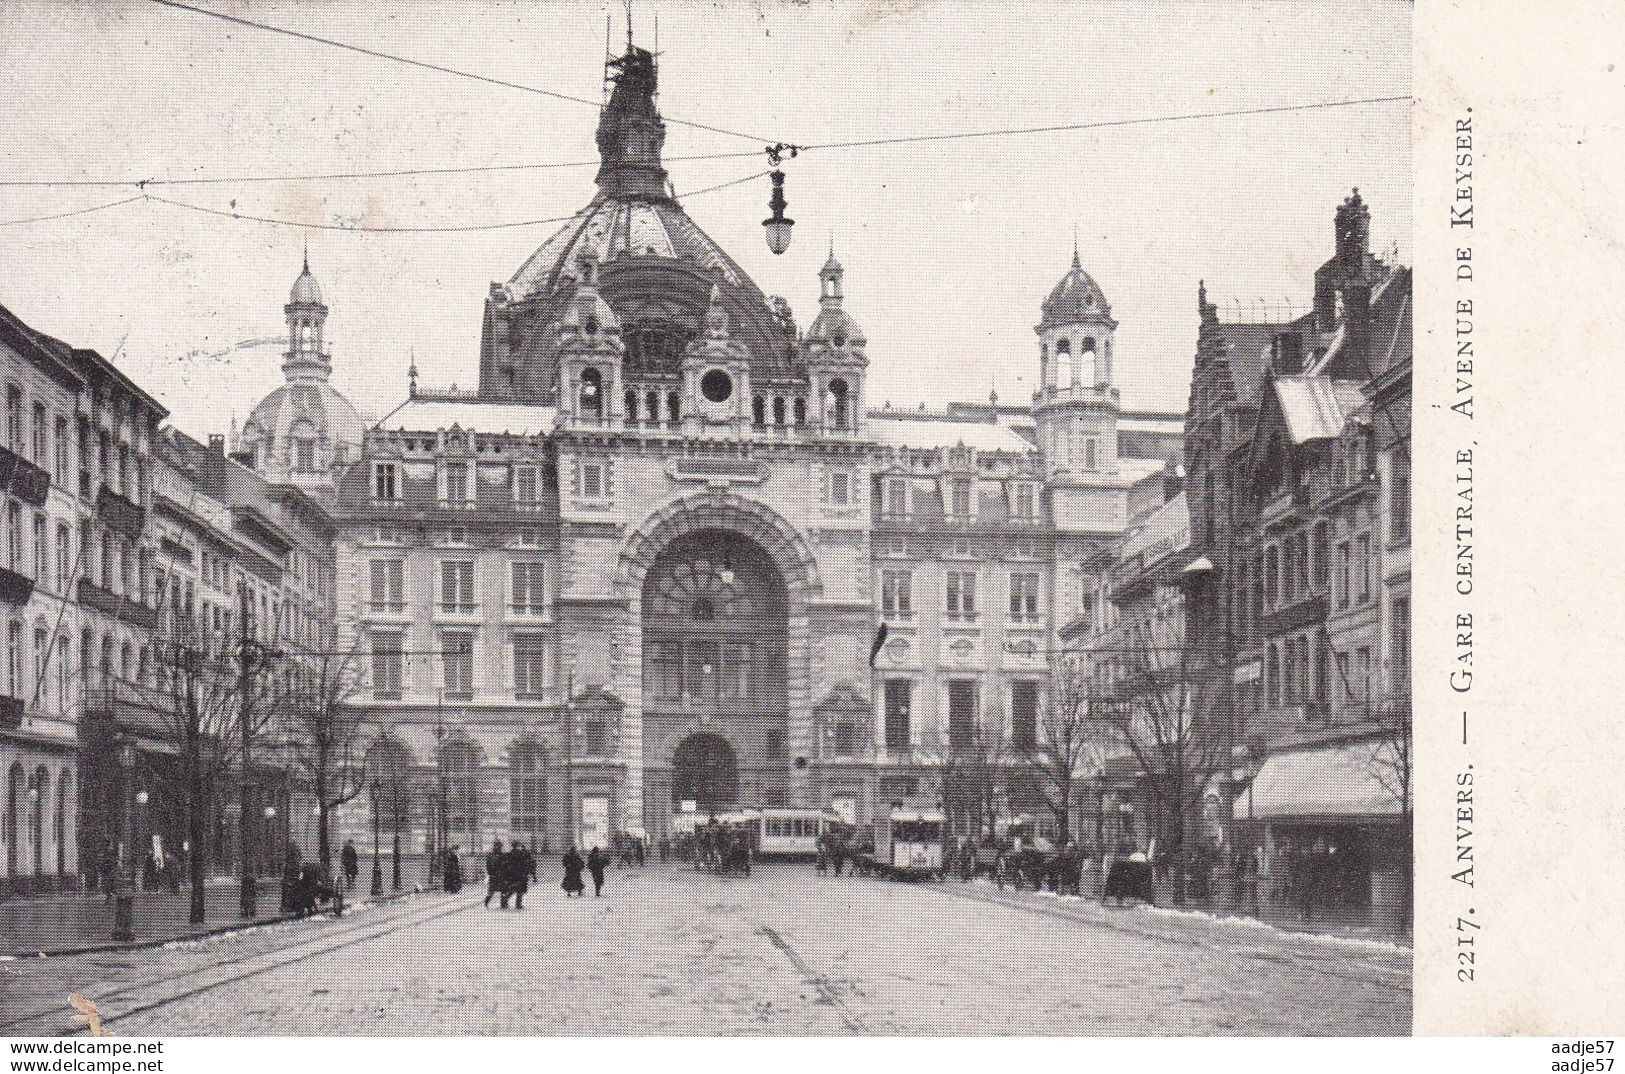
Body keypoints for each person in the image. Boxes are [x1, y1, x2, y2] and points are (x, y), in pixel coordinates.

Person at [511, 841, 535, 909]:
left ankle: (504, 902)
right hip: (521, 874)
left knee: (511, 889)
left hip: (513, 874)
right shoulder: (522, 854)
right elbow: (528, 863)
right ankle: (518, 904)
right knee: (520, 890)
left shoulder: (510, 854)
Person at [484, 839, 507, 908]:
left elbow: (488, 866)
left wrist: (491, 873)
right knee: (503, 890)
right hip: (500, 875)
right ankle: (503, 904)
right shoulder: (503, 855)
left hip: (494, 876)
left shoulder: (490, 855)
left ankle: (487, 902)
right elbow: (505, 865)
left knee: (492, 890)